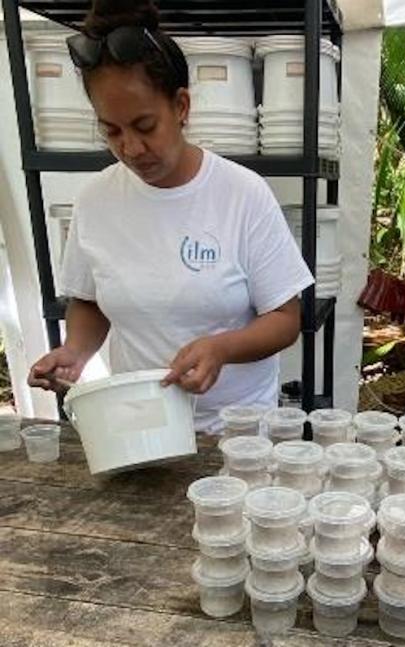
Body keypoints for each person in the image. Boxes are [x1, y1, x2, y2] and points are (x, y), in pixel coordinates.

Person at [27, 0, 313, 433]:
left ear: (181, 106)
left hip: (235, 435)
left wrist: (222, 348)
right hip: (143, 428)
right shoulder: (95, 200)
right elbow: (87, 299)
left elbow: (285, 320)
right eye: (112, 131)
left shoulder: (242, 194)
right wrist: (75, 351)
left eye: (145, 126)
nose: (131, 148)